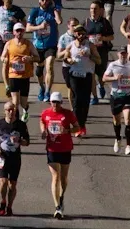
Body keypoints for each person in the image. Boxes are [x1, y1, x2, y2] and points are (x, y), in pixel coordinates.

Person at [38, 89, 82, 218]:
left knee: (63, 178)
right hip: (52, 149)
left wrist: (67, 130)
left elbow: (77, 127)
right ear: (50, 102)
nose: (55, 105)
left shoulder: (68, 114)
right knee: (55, 177)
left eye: (57, 102)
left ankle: (62, 197)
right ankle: (57, 207)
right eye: (53, 102)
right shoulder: (46, 113)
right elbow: (42, 121)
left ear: (61, 102)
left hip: (65, 148)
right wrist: (43, 131)